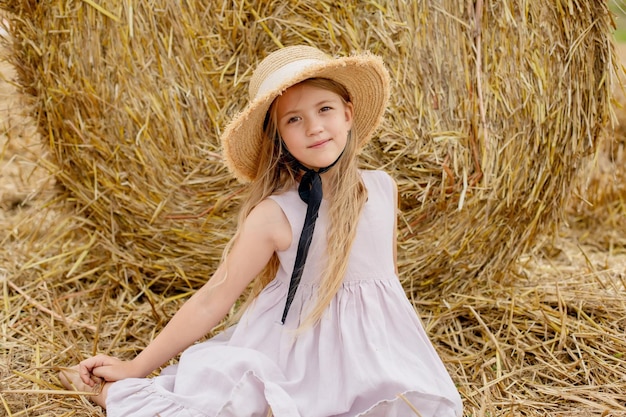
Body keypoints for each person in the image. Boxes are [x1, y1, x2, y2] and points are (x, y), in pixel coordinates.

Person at [59, 45, 464, 416]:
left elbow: (385, 288)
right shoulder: (276, 215)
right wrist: (135, 367)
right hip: (301, 356)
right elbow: (213, 299)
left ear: (348, 113)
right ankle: (113, 394)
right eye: (294, 119)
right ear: (281, 138)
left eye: (324, 109)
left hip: (375, 352)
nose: (314, 127)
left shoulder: (383, 187)